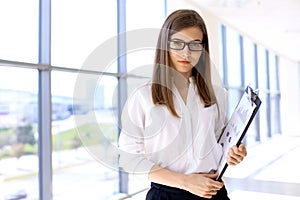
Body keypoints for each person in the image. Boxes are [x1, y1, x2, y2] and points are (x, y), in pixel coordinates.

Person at [118, 9, 247, 199]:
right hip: (167, 194)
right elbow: (129, 159)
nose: (186, 52)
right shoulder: (144, 96)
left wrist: (233, 153)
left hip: (213, 191)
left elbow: (220, 140)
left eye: (195, 45)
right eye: (178, 43)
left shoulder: (218, 94)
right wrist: (186, 182)